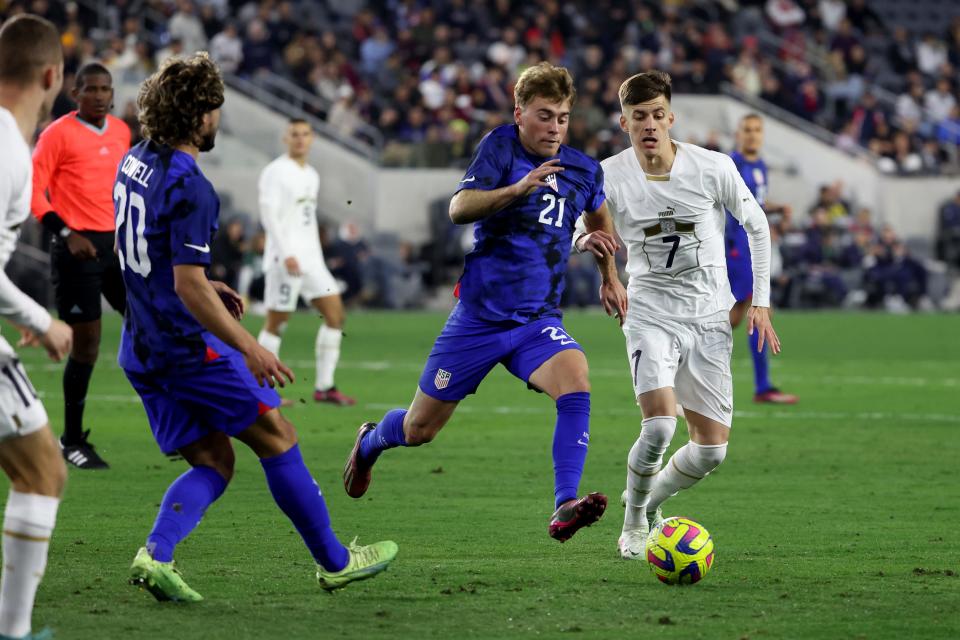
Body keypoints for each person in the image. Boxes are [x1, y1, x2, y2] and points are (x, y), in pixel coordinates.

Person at [116, 54, 396, 602]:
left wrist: (201, 283)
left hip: (140, 344)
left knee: (215, 460)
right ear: (200, 115)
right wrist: (249, 347)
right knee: (277, 436)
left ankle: (156, 554)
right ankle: (336, 561)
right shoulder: (190, 184)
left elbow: (146, 255)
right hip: (185, 348)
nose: (217, 119)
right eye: (215, 109)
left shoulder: (134, 161)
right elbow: (186, 286)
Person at [343, 62, 627, 543]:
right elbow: (459, 208)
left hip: (536, 322)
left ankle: (564, 505)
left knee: (576, 377)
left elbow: (599, 221)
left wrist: (607, 273)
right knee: (418, 430)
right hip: (479, 318)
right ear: (519, 113)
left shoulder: (583, 170)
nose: (554, 127)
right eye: (543, 116)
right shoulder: (500, 147)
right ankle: (370, 442)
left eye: (561, 117)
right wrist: (517, 189)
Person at [574, 71, 782, 559]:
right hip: (650, 312)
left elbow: (757, 226)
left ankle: (645, 500)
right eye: (638, 117)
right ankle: (632, 527)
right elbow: (574, 231)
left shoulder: (713, 167)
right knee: (660, 426)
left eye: (656, 115)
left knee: (711, 450)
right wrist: (588, 242)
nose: (649, 124)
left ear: (671, 117)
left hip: (709, 315)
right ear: (624, 122)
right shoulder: (606, 176)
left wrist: (762, 302)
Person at [0, 14, 74, 640]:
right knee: (42, 471)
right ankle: (15, 632)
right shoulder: (6, 147)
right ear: (52, 76)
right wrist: (39, 318)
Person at [31, 62, 131, 469]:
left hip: (118, 249)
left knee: (150, 328)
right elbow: (34, 193)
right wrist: (66, 233)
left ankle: (176, 426)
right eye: (91, 89)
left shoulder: (123, 131)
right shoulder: (56, 134)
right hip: (75, 249)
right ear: (75, 94)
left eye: (106, 89)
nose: (101, 96)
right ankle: (72, 440)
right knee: (87, 344)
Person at [256, 119, 356, 406]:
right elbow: (270, 216)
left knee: (335, 316)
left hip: (312, 260)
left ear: (312, 139)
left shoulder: (312, 174)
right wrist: (286, 252)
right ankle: (261, 391)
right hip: (284, 258)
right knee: (277, 323)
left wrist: (314, 254)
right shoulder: (275, 172)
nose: (300, 139)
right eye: (294, 135)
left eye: (305, 134)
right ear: (285, 139)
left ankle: (325, 387)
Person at [725, 114, 798, 404]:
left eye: (757, 130)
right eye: (747, 130)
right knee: (755, 312)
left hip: (752, 247)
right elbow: (727, 204)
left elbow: (755, 203)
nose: (753, 135)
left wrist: (777, 210)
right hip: (735, 248)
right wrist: (729, 245)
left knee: (735, 317)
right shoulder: (732, 164)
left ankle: (761, 386)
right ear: (738, 134)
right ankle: (762, 386)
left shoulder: (761, 166)